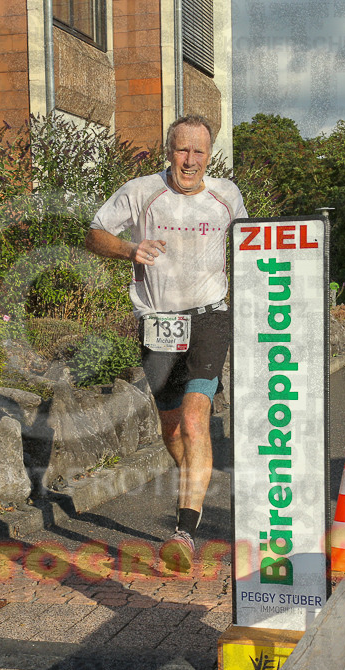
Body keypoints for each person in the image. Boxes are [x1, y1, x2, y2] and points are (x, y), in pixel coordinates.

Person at [84, 114, 247, 572]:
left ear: (209, 155)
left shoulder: (226, 196)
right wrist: (127, 249)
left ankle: (184, 531)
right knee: (172, 429)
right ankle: (191, 479)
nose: (189, 160)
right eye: (181, 150)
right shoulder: (141, 191)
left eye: (198, 151)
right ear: (168, 151)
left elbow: (252, 247)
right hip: (158, 324)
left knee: (196, 421)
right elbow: (94, 233)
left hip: (210, 316)